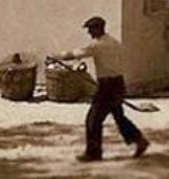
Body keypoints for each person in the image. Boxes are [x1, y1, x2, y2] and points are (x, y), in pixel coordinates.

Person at [54, 17, 149, 162]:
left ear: (99, 28)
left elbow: (75, 54)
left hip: (107, 86)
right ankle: (139, 140)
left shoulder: (98, 45)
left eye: (91, 29)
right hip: (118, 83)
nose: (89, 33)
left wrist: (56, 56)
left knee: (93, 120)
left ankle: (93, 153)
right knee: (119, 117)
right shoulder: (114, 42)